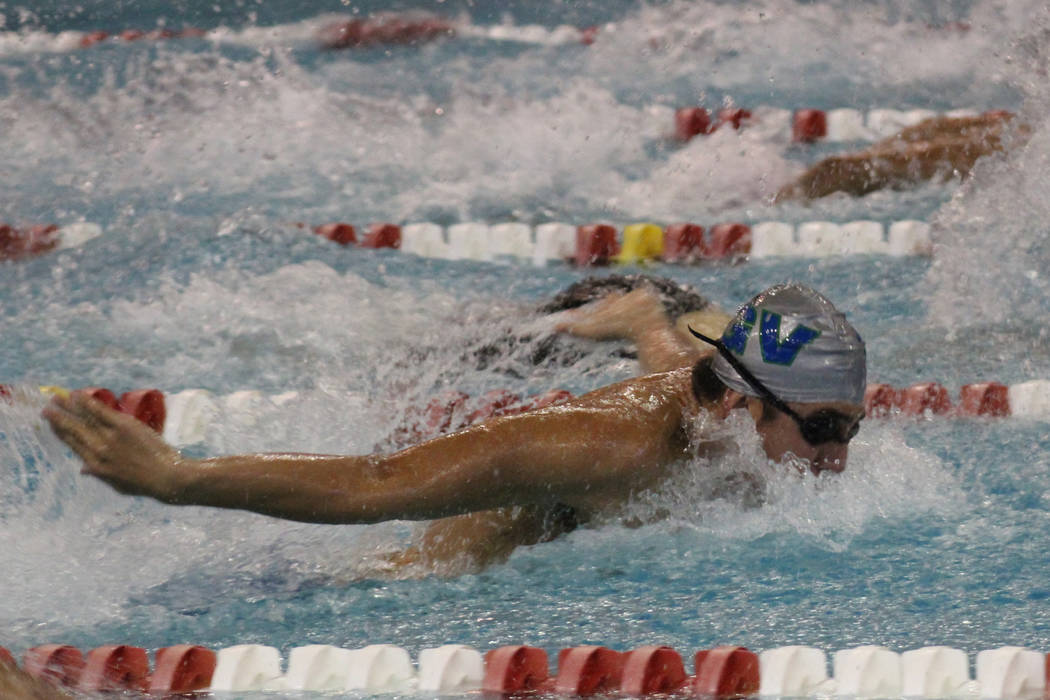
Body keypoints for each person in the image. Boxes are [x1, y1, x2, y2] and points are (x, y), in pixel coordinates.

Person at [44, 283, 866, 574]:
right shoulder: (603, 446)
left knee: (676, 337)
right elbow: (384, 483)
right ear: (738, 404)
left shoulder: (727, 409)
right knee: (390, 574)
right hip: (447, 562)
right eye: (822, 427)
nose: (837, 456)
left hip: (684, 361)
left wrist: (654, 324)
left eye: (850, 429)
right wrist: (181, 478)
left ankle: (642, 312)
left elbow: (679, 363)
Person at [775, 110, 1027, 201]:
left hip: (1022, 145)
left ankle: (775, 201)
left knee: (836, 169)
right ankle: (778, 195)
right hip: (1028, 131)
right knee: (930, 127)